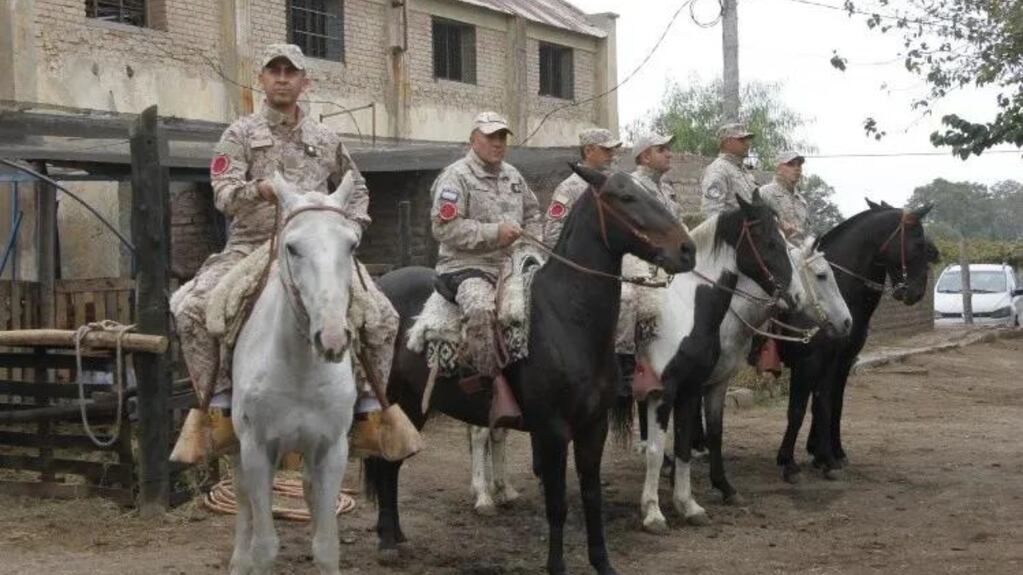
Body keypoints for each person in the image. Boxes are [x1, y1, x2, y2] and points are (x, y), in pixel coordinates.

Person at [172, 43, 398, 457]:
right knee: (192, 307)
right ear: (261, 79)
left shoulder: (325, 137)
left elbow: (357, 186)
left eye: (290, 72)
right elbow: (222, 194)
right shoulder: (239, 134)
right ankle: (218, 408)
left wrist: (351, 228)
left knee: (383, 314)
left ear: (303, 82)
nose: (281, 78)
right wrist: (257, 190)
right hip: (252, 246)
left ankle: (370, 411)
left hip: (318, 250)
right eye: (273, 70)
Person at [430, 111, 542, 383]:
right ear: (473, 139)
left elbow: (533, 213)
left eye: (502, 136)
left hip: (514, 264)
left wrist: (532, 248)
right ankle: (490, 385)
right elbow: (444, 228)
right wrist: (494, 233)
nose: (498, 143)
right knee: (481, 309)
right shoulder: (455, 177)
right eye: (491, 136)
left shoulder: (513, 175)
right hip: (466, 267)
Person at [542, 128, 622, 245]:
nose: (612, 154)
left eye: (613, 150)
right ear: (588, 151)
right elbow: (552, 235)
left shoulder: (614, 185)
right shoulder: (568, 189)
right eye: (606, 149)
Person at [700, 122, 757, 217]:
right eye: (741, 140)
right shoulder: (718, 169)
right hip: (733, 230)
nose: (747, 144)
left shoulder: (744, 172)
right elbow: (711, 212)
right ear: (727, 142)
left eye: (747, 140)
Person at [759, 151, 810, 243]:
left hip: (802, 250)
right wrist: (779, 225)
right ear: (779, 168)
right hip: (777, 250)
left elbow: (806, 231)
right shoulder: (765, 192)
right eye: (790, 164)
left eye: (799, 165)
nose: (797, 168)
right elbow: (756, 223)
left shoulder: (802, 201)